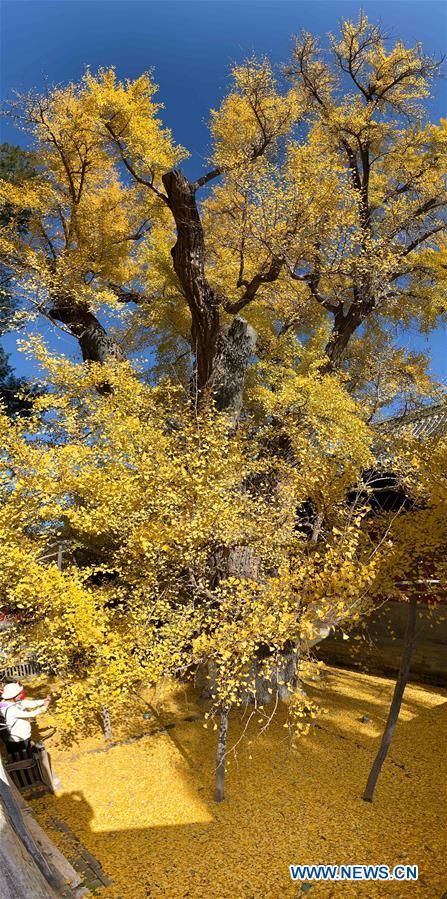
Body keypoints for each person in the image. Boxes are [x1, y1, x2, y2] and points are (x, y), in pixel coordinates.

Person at [0, 682, 50, 755]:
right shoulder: (11, 709)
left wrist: (43, 701)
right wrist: (44, 708)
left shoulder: (8, 702)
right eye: (19, 694)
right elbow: (30, 714)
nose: (21, 695)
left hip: (22, 736)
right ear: (13, 696)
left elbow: (27, 703)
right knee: (22, 758)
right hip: (18, 740)